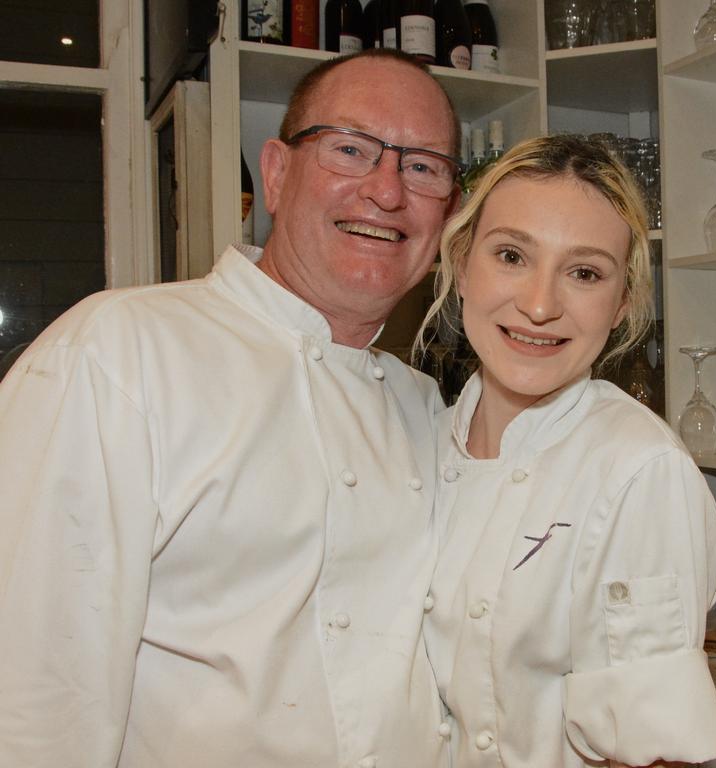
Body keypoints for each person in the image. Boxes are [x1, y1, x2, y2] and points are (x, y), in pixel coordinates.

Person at [0, 49, 463, 767]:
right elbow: (33, 696)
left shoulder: (424, 407)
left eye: (423, 166)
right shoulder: (119, 352)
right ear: (275, 174)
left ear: (449, 217)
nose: (387, 190)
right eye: (349, 149)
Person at [419, 135, 716, 768]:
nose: (539, 305)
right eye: (511, 255)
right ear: (460, 261)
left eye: (584, 273)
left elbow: (654, 755)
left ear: (620, 305)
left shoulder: (640, 470)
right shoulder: (419, 437)